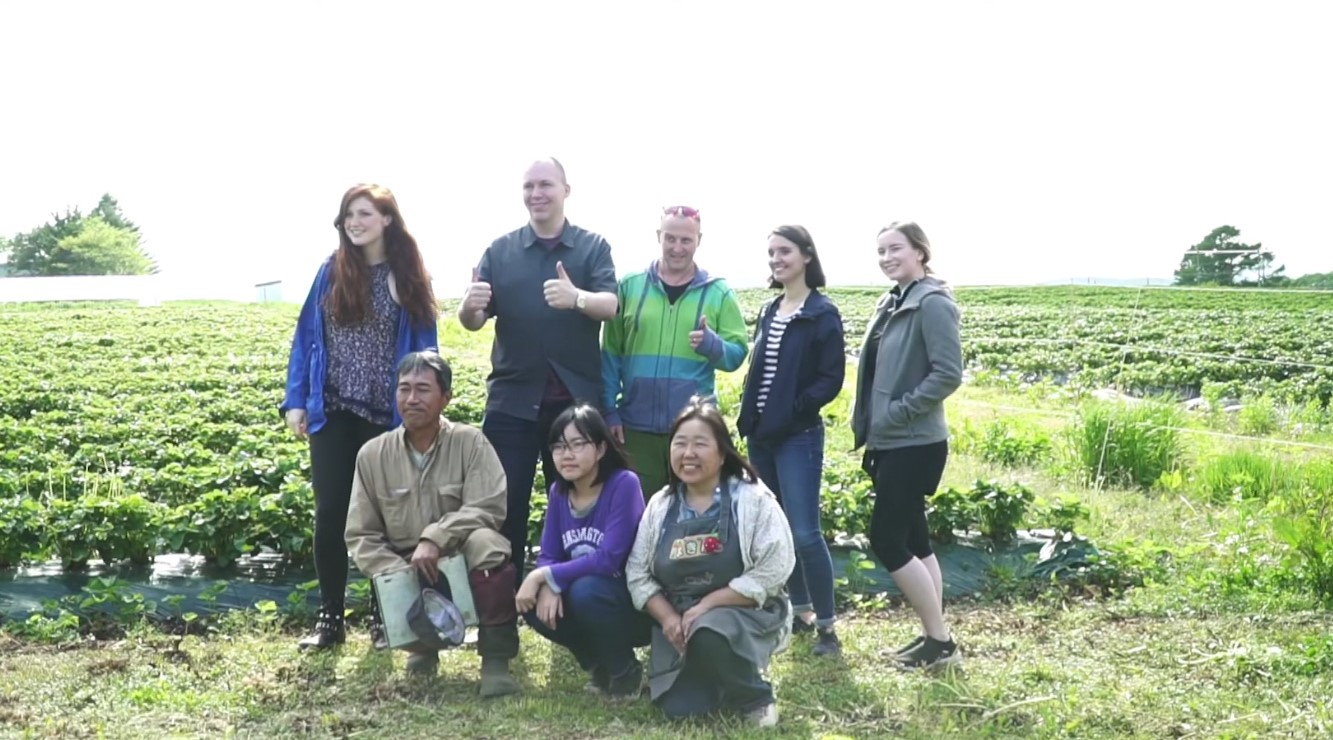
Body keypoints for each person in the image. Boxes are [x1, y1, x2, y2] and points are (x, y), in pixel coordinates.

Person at [279, 183, 439, 650]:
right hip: (332, 410)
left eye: (364, 213)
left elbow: (425, 348)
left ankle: (383, 618)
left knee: (383, 519)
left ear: (387, 219)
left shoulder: (407, 274)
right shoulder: (331, 271)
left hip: (384, 416)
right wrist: (296, 400)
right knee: (330, 514)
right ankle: (330, 619)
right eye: (349, 215)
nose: (354, 222)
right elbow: (306, 336)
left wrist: (419, 406)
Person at [458, 157, 619, 578]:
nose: (536, 194)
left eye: (545, 185)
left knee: (576, 506)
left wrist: (576, 298)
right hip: (512, 402)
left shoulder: (592, 247)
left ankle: (568, 599)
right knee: (503, 506)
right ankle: (503, 606)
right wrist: (468, 308)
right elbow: (474, 320)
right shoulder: (501, 251)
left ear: (567, 190)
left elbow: (610, 305)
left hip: (573, 406)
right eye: (529, 187)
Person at [343, 351, 521, 697]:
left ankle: (495, 663)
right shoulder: (372, 455)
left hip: (459, 552)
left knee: (489, 545)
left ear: (446, 398)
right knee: (388, 571)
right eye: (404, 389)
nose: (411, 399)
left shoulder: (470, 442)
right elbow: (361, 532)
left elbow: (489, 506)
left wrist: (437, 537)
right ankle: (421, 651)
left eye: (423, 390)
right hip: (406, 560)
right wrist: (396, 569)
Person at [626, 397, 795, 727]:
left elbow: (775, 567)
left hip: (743, 613)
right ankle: (720, 678)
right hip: (680, 621)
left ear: (721, 453)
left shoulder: (753, 500)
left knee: (708, 631)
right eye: (680, 443)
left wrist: (709, 604)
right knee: (681, 709)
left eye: (700, 444)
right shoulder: (661, 506)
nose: (688, 453)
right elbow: (637, 571)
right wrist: (669, 618)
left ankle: (756, 696)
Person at [851, 221, 964, 671]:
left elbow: (947, 373)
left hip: (915, 441)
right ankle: (933, 636)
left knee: (887, 538)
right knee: (917, 540)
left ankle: (941, 642)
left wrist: (898, 411)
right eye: (880, 251)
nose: (886, 257)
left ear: (920, 251)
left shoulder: (932, 303)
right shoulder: (894, 301)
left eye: (895, 248)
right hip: (890, 440)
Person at [737, 225, 846, 657]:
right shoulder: (770, 309)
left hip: (797, 436)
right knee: (778, 531)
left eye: (784, 252)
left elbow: (830, 378)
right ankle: (799, 613)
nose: (776, 260)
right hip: (762, 436)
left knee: (804, 531)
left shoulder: (822, 313)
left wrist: (796, 409)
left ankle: (828, 628)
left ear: (806, 256)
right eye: (771, 253)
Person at [601, 205, 749, 497]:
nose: (677, 248)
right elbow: (609, 355)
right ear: (659, 236)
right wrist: (609, 411)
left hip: (693, 431)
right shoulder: (630, 288)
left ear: (699, 240)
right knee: (639, 516)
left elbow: (737, 354)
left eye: (686, 240)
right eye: (670, 239)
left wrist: (712, 345)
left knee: (692, 514)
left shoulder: (718, 293)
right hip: (635, 428)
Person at [514, 402, 651, 698]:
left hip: (631, 603)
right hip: (586, 595)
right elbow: (550, 552)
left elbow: (608, 559)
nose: (567, 454)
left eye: (578, 444)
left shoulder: (623, 484)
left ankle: (625, 670)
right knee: (534, 602)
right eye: (559, 446)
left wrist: (546, 575)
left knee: (585, 590)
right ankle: (600, 665)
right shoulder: (559, 492)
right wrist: (548, 583)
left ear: (601, 449)